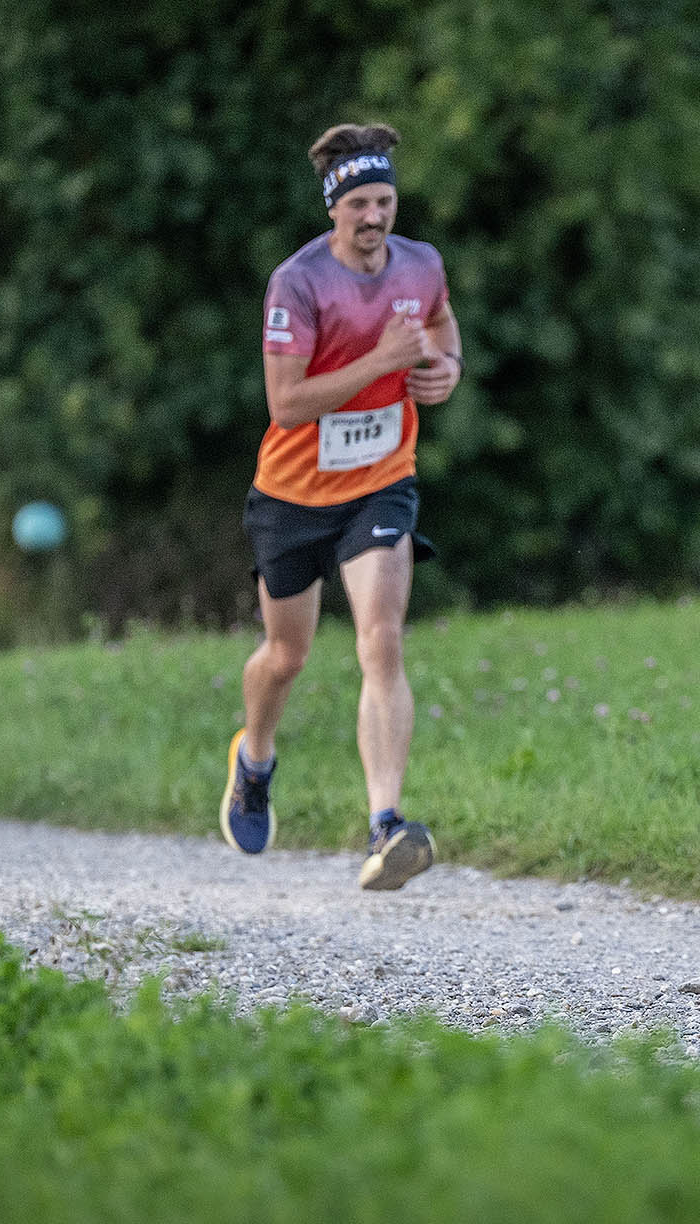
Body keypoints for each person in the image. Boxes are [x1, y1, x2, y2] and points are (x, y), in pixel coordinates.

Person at [220, 122, 463, 891]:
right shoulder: (298, 284)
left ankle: (386, 825)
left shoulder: (421, 264)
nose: (374, 216)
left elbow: (441, 323)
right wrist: (381, 360)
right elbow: (286, 403)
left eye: (384, 200)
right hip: (292, 495)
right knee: (285, 656)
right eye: (359, 203)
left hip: (381, 481)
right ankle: (255, 759)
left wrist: (447, 365)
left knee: (381, 641)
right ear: (333, 207)